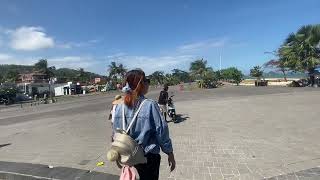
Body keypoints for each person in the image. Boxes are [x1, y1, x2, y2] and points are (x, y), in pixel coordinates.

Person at [112, 69, 176, 180]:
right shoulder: (150, 105)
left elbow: (115, 132)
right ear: (140, 84)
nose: (148, 83)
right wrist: (169, 152)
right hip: (147, 157)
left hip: (128, 155)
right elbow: (161, 131)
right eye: (146, 80)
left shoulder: (118, 105)